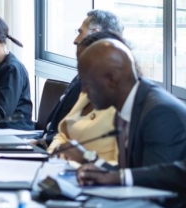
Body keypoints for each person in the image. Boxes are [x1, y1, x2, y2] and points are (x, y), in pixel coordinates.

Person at [74, 39, 186, 186]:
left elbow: (159, 185)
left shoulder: (160, 114)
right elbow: (130, 173)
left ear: (112, 80)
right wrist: (88, 159)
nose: (83, 90)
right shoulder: (124, 108)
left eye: (87, 83)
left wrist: (113, 178)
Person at [41, 10, 124, 144]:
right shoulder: (84, 75)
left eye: (80, 32)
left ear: (96, 32)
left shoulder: (101, 84)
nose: (75, 40)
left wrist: (45, 142)